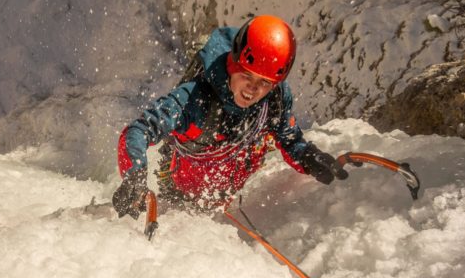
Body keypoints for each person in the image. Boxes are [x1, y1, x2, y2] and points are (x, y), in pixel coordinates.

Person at [112, 14, 348, 219]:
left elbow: (288, 140)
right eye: (247, 75)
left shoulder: (275, 98)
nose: (253, 89)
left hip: (234, 186)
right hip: (180, 193)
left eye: (264, 82)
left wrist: (308, 157)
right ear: (234, 63)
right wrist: (135, 175)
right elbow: (139, 131)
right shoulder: (193, 98)